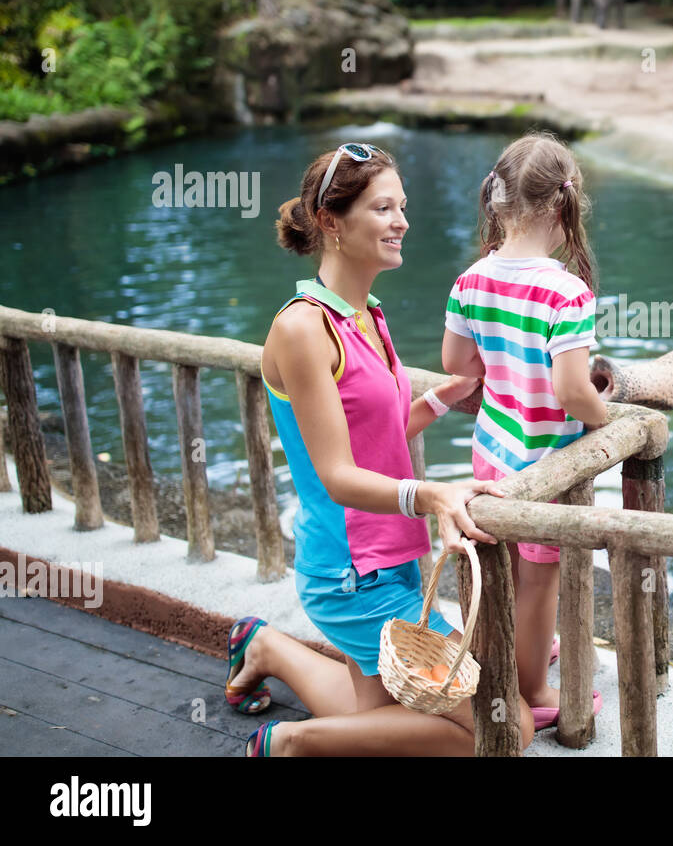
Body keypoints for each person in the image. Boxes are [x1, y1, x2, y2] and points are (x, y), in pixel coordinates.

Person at [225, 142, 536, 755]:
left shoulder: (368, 313)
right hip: (350, 572)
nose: (403, 222)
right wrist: (436, 495)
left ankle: (266, 648)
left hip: (392, 555)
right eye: (384, 208)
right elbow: (338, 475)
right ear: (331, 223)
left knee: (384, 723)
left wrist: (443, 400)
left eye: (403, 206)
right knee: (507, 729)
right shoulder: (301, 329)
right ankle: (287, 744)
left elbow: (379, 435)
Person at [442, 131, 609, 729]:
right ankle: (534, 689)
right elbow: (571, 391)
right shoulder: (566, 291)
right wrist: (604, 414)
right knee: (540, 583)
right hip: (542, 464)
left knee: (507, 565)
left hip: (492, 450)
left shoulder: (474, 278)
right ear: (563, 205)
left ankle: (517, 654)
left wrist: (506, 369)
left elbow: (457, 366)